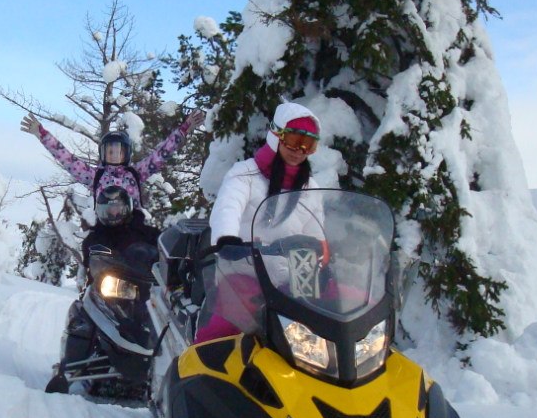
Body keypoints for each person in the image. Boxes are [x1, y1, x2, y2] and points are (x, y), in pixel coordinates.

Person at [195, 101, 322, 343]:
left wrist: (323, 252)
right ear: (276, 135)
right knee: (223, 330)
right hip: (243, 273)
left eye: (309, 145)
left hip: (291, 280)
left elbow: (316, 231)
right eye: (294, 140)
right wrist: (227, 238)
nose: (299, 150)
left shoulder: (310, 188)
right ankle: (195, 370)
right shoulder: (245, 175)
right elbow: (228, 207)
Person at [20, 109, 204, 243]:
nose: (115, 154)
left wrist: (184, 128)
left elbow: (163, 152)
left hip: (134, 228)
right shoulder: (95, 176)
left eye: (119, 151)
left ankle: (162, 291)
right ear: (102, 153)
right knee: (90, 248)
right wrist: (42, 134)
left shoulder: (137, 172)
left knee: (158, 244)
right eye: (110, 150)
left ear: (127, 153)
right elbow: (67, 158)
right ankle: (90, 292)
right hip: (105, 228)